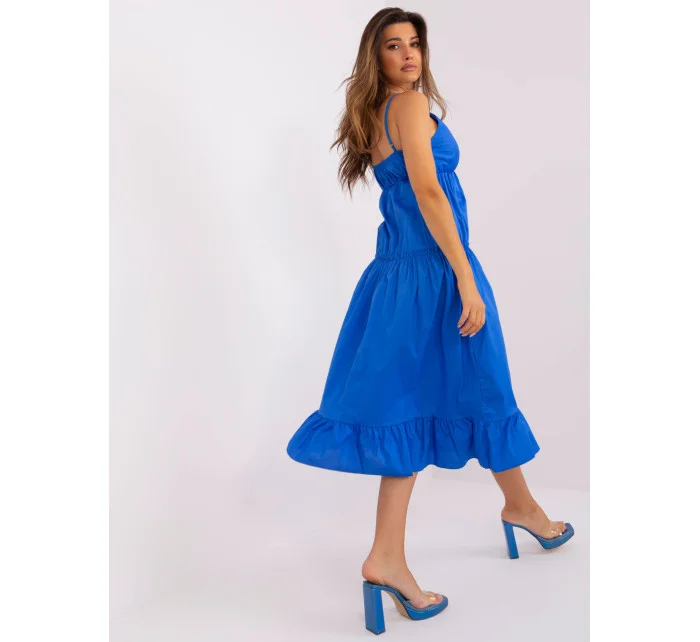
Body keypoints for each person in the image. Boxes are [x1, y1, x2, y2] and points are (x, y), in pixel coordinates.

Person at [285, 8, 574, 634]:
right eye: (393, 45)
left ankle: (517, 508)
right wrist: (465, 276)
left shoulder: (376, 114)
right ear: (376, 57)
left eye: (414, 43)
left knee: (425, 405)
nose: (408, 54)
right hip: (437, 272)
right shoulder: (410, 106)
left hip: (397, 278)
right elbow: (429, 191)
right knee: (480, 388)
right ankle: (399, 553)